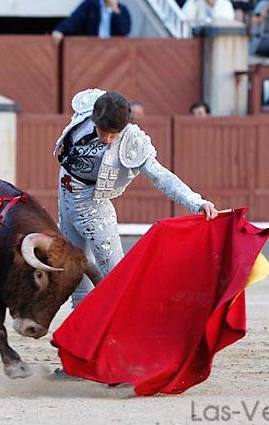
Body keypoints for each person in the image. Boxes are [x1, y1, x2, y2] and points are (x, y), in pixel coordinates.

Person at [55, 89, 218, 306]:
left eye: (114, 134)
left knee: (114, 273)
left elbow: (160, 176)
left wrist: (196, 201)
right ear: (94, 118)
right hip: (65, 194)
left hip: (93, 205)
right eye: (104, 131)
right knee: (74, 264)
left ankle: (121, 325)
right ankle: (82, 328)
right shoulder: (86, 111)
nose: (107, 139)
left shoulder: (132, 140)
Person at [51, 0, 131, 44]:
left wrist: (116, 10)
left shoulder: (122, 10)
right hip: (92, 48)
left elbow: (124, 31)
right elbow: (74, 19)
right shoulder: (90, 5)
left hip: (113, 50)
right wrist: (60, 30)